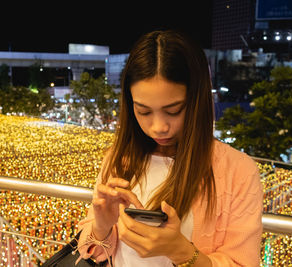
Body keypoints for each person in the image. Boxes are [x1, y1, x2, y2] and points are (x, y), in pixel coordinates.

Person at [76, 30, 263, 267]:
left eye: (174, 110)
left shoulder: (238, 171)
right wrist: (101, 226)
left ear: (197, 101)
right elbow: (91, 252)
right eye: (143, 111)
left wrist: (182, 252)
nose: (158, 127)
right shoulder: (118, 158)